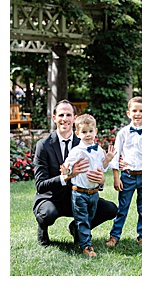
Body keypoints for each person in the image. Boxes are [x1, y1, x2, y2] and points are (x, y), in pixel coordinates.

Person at [33, 100, 118, 246]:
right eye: (61, 115)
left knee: (110, 209)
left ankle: (77, 228)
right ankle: (43, 229)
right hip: (52, 198)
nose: (64, 119)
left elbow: (98, 168)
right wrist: (66, 177)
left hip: (80, 195)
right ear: (54, 118)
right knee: (47, 214)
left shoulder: (85, 142)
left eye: (68, 115)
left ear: (74, 118)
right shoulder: (43, 145)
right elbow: (41, 185)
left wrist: (101, 181)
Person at [106, 96, 142, 247]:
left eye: (141, 111)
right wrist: (116, 177)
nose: (137, 114)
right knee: (122, 207)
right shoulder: (123, 133)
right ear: (128, 113)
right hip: (127, 176)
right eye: (134, 110)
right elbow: (116, 155)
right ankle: (114, 235)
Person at [62, 114, 117, 257]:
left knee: (90, 217)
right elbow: (68, 165)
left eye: (90, 131)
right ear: (77, 134)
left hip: (94, 192)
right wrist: (67, 168)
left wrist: (108, 160)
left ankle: (75, 228)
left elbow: (102, 168)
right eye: (84, 132)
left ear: (96, 131)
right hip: (79, 192)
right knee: (82, 218)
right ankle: (86, 246)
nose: (88, 135)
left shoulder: (98, 149)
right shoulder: (76, 151)